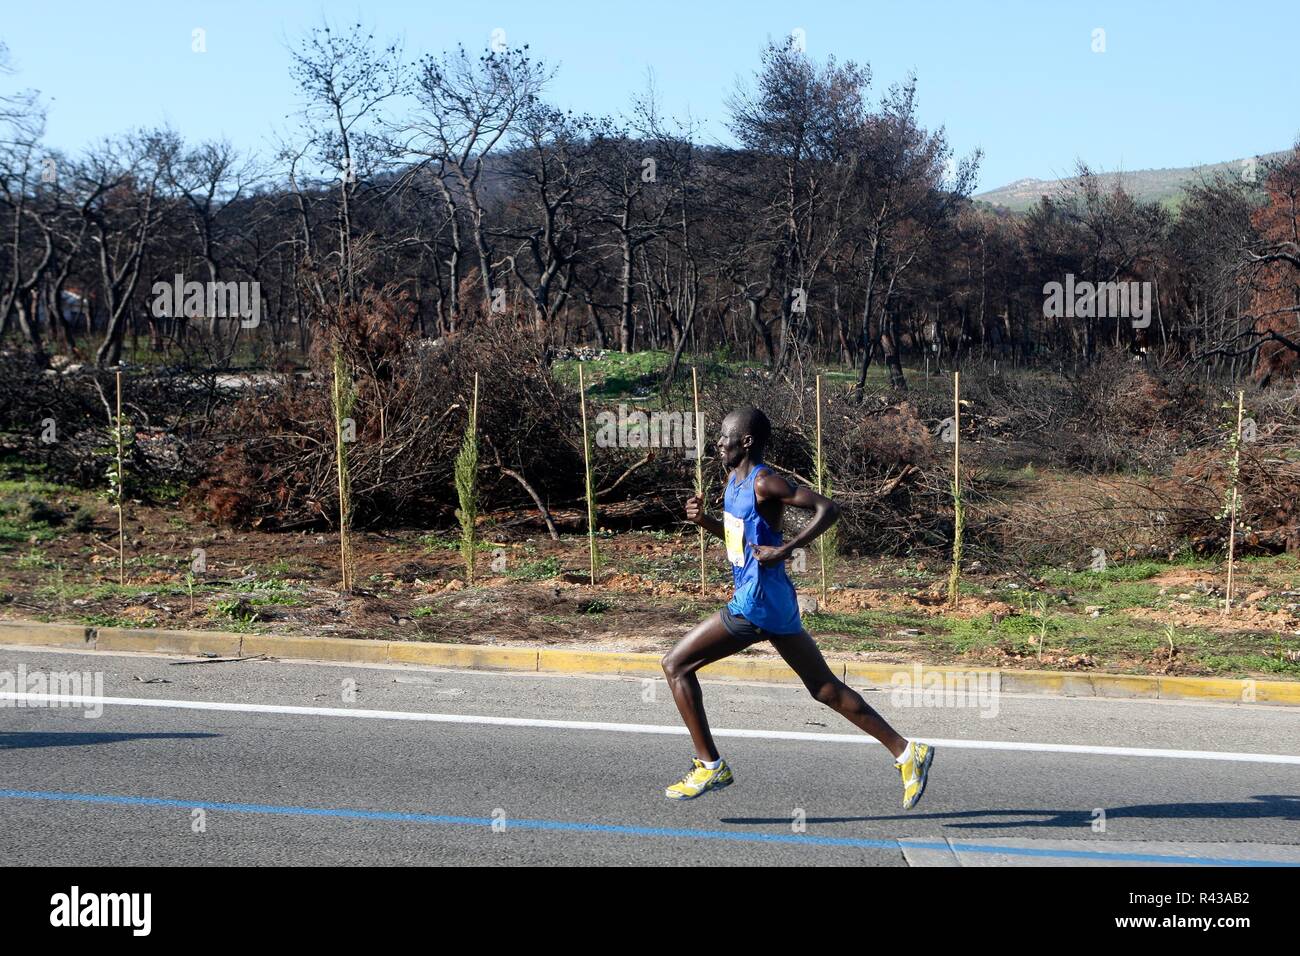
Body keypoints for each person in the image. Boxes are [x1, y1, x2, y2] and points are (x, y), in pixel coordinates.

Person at [661, 406, 934, 809]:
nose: (718, 442)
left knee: (675, 665)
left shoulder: (765, 483)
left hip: (756, 605)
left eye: (725, 435)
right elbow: (742, 543)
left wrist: (787, 548)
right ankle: (907, 752)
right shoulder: (731, 481)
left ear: (746, 441)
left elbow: (829, 509)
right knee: (824, 688)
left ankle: (709, 765)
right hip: (776, 603)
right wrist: (704, 522)